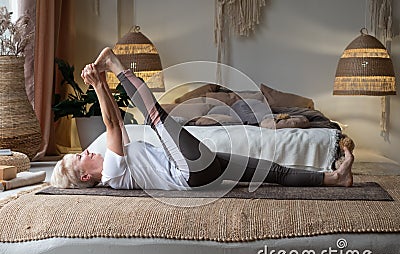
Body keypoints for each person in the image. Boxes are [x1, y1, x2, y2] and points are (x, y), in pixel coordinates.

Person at [51, 47, 354, 190]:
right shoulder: (112, 175)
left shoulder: (118, 161)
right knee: (155, 115)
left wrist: (101, 86)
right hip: (189, 171)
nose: (88, 150)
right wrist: (99, 82)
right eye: (81, 157)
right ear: (87, 176)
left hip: (197, 170)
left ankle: (335, 178)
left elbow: (117, 120)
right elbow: (112, 125)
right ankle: (117, 63)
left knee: (271, 172)